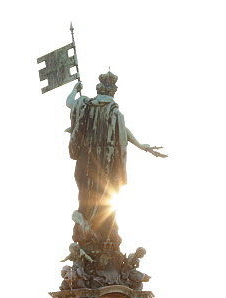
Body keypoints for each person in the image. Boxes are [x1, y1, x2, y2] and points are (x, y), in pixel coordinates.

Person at [67, 72, 166, 245]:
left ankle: (87, 227)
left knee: (86, 196)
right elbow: (123, 132)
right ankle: (96, 230)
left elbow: (68, 103)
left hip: (86, 162)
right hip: (107, 163)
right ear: (112, 92)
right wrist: (142, 146)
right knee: (105, 197)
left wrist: (75, 90)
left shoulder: (84, 105)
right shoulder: (114, 112)